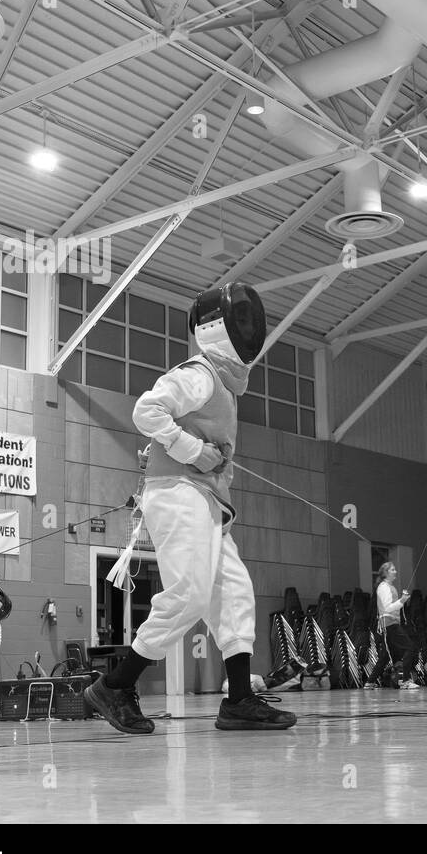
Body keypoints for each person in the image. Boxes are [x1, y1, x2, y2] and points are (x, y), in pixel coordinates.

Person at [84, 282, 295, 734]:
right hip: (179, 493)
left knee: (235, 594)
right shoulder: (199, 373)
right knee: (189, 595)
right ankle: (115, 685)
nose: (249, 328)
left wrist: (204, 458)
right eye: (241, 320)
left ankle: (238, 698)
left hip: (208, 502)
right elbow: (147, 410)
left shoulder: (223, 384)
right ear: (220, 329)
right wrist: (193, 450)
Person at [364, 562, 420, 690]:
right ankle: (406, 680)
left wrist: (401, 600)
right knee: (410, 648)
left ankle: (370, 682)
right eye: (393, 570)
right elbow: (388, 608)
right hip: (389, 625)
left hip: (390, 624)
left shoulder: (390, 587)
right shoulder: (384, 587)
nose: (395, 571)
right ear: (386, 573)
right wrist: (402, 601)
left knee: (384, 657)